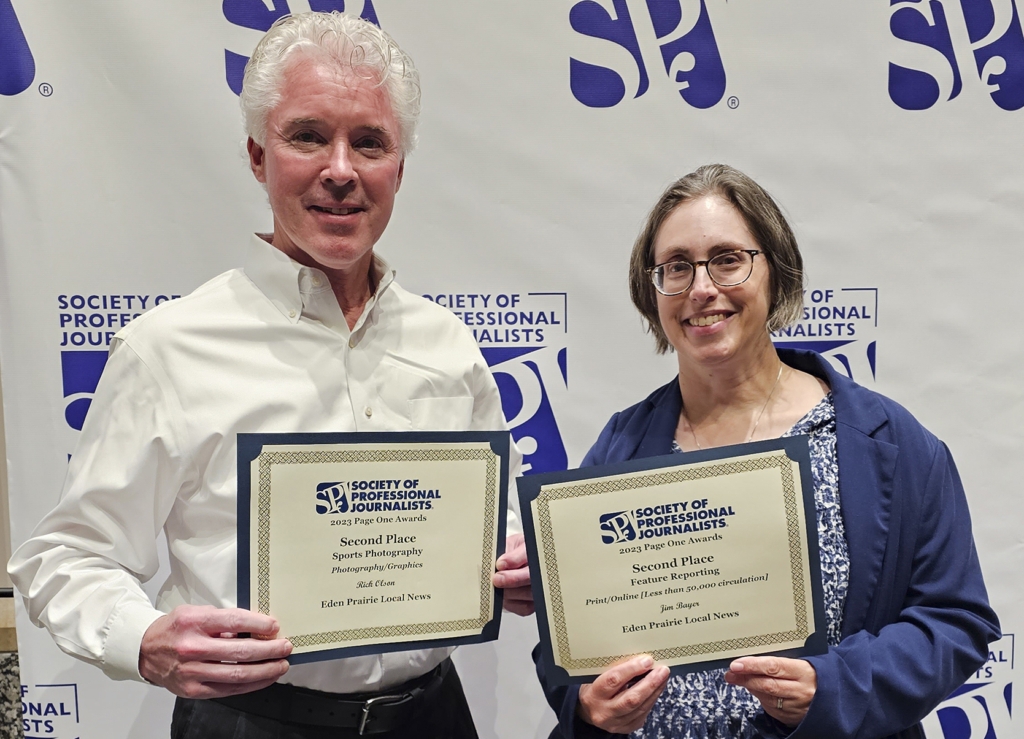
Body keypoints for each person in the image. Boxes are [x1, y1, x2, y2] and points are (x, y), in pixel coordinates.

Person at [9, 12, 531, 739]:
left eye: (370, 142)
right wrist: (142, 637)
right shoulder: (169, 348)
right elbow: (64, 557)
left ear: (399, 170)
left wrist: (522, 568)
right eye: (308, 135)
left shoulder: (448, 345)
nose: (341, 170)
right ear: (259, 157)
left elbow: (498, 527)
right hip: (251, 722)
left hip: (433, 716)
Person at [535, 164, 999, 739]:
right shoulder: (620, 447)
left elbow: (955, 620)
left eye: (727, 259)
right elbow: (567, 642)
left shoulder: (890, 443)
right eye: (677, 266)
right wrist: (585, 703)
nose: (701, 288)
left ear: (775, 274)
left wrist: (835, 687)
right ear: (652, 293)